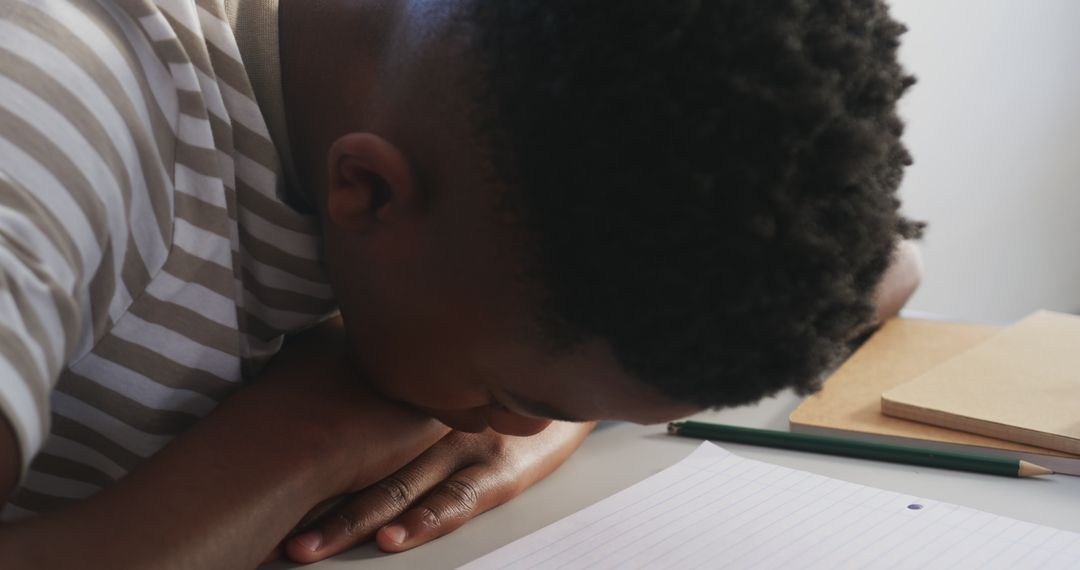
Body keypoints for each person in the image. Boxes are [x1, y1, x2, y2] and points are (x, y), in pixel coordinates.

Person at [0, 0, 923, 567]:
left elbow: (888, 267)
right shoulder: (51, 121)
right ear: (366, 191)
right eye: (511, 397)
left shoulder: (466, 98)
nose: (508, 431)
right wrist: (312, 432)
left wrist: (563, 410)